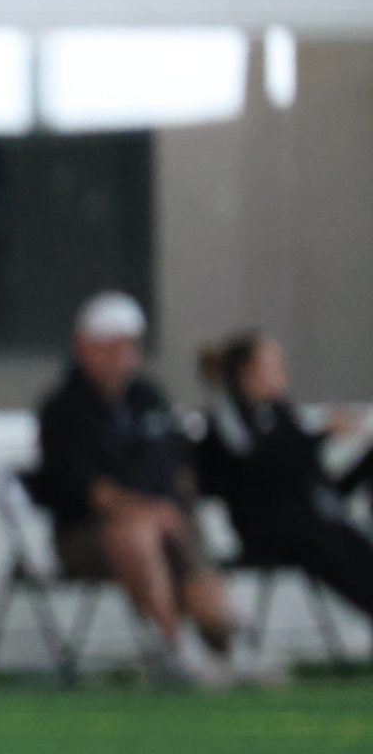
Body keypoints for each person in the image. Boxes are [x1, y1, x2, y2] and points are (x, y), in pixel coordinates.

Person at [35, 292, 254, 688]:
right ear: (85, 348)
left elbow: (177, 468)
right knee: (136, 534)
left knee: (203, 587)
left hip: (168, 526)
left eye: (129, 347)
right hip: (88, 536)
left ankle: (227, 646)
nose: (124, 358)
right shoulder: (63, 410)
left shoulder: (148, 398)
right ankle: (173, 648)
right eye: (113, 347)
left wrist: (171, 510)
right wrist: (149, 513)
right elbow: (90, 491)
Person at [196, 328, 373, 621]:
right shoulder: (228, 415)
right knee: (328, 546)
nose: (282, 373)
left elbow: (308, 473)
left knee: (349, 541)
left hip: (310, 516)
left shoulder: (279, 412)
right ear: (248, 372)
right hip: (269, 528)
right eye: (274, 365)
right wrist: (320, 435)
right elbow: (259, 465)